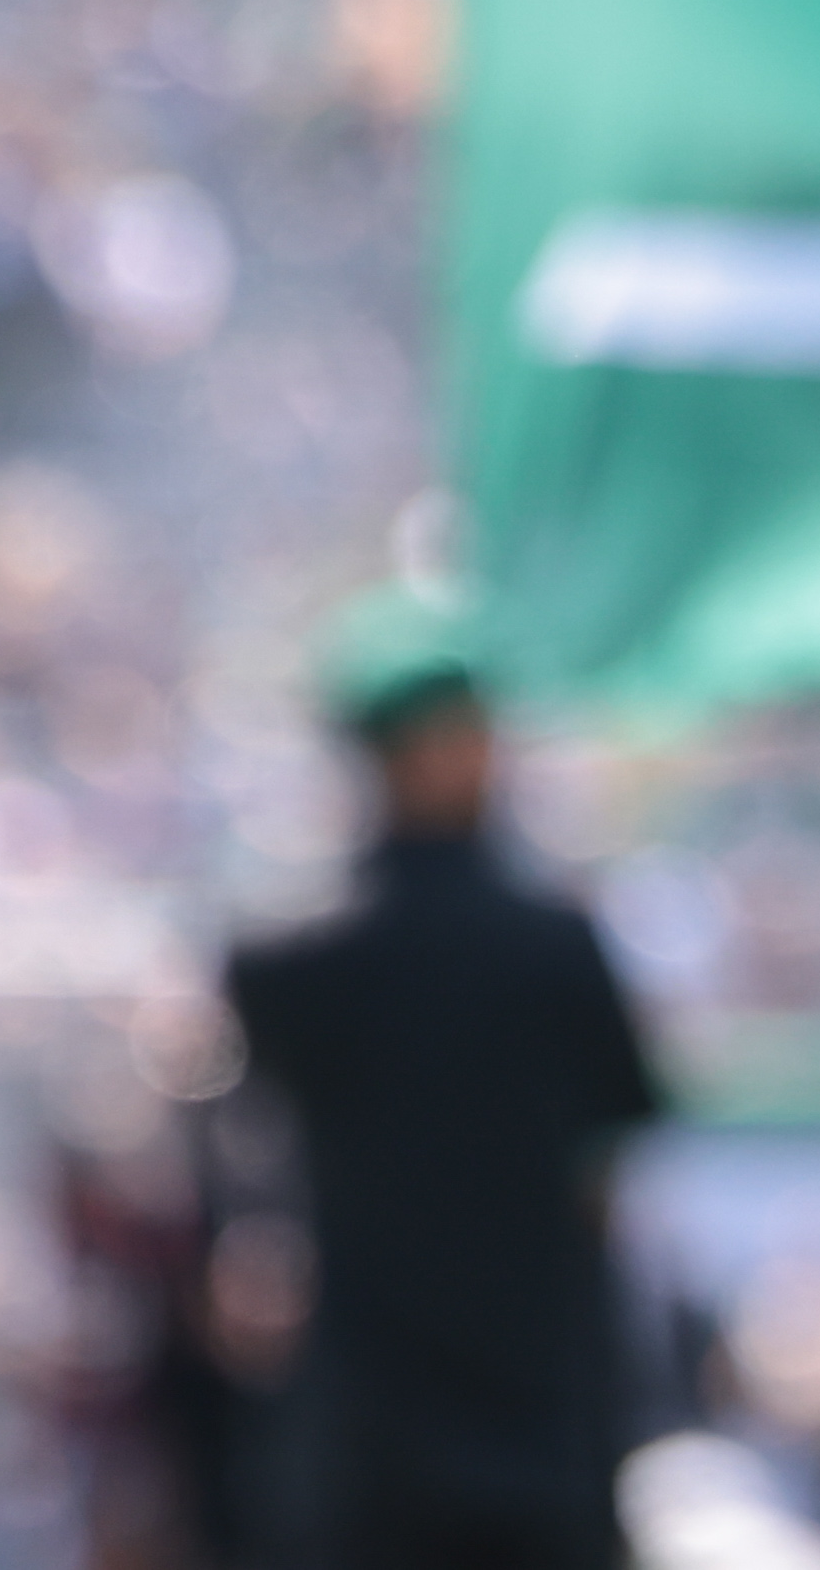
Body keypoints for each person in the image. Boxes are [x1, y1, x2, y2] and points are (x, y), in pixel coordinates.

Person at [224, 596, 669, 1570]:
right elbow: (611, 1161)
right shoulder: (551, 947)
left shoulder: (282, 962)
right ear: (448, 745)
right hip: (535, 1424)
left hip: (364, 1441)